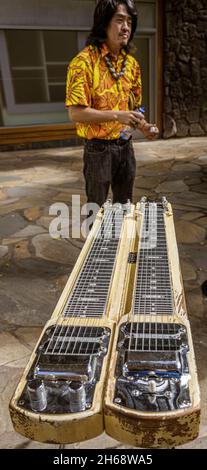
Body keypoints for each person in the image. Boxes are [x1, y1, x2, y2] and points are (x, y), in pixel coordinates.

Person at [65, 0, 159, 208]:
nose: (126, 27)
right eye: (119, 20)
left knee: (125, 208)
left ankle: (121, 241)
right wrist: (117, 115)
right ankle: (97, 241)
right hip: (98, 150)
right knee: (96, 211)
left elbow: (134, 110)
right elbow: (76, 113)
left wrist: (144, 126)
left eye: (129, 21)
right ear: (103, 23)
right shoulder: (83, 62)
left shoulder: (132, 65)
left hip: (126, 147)